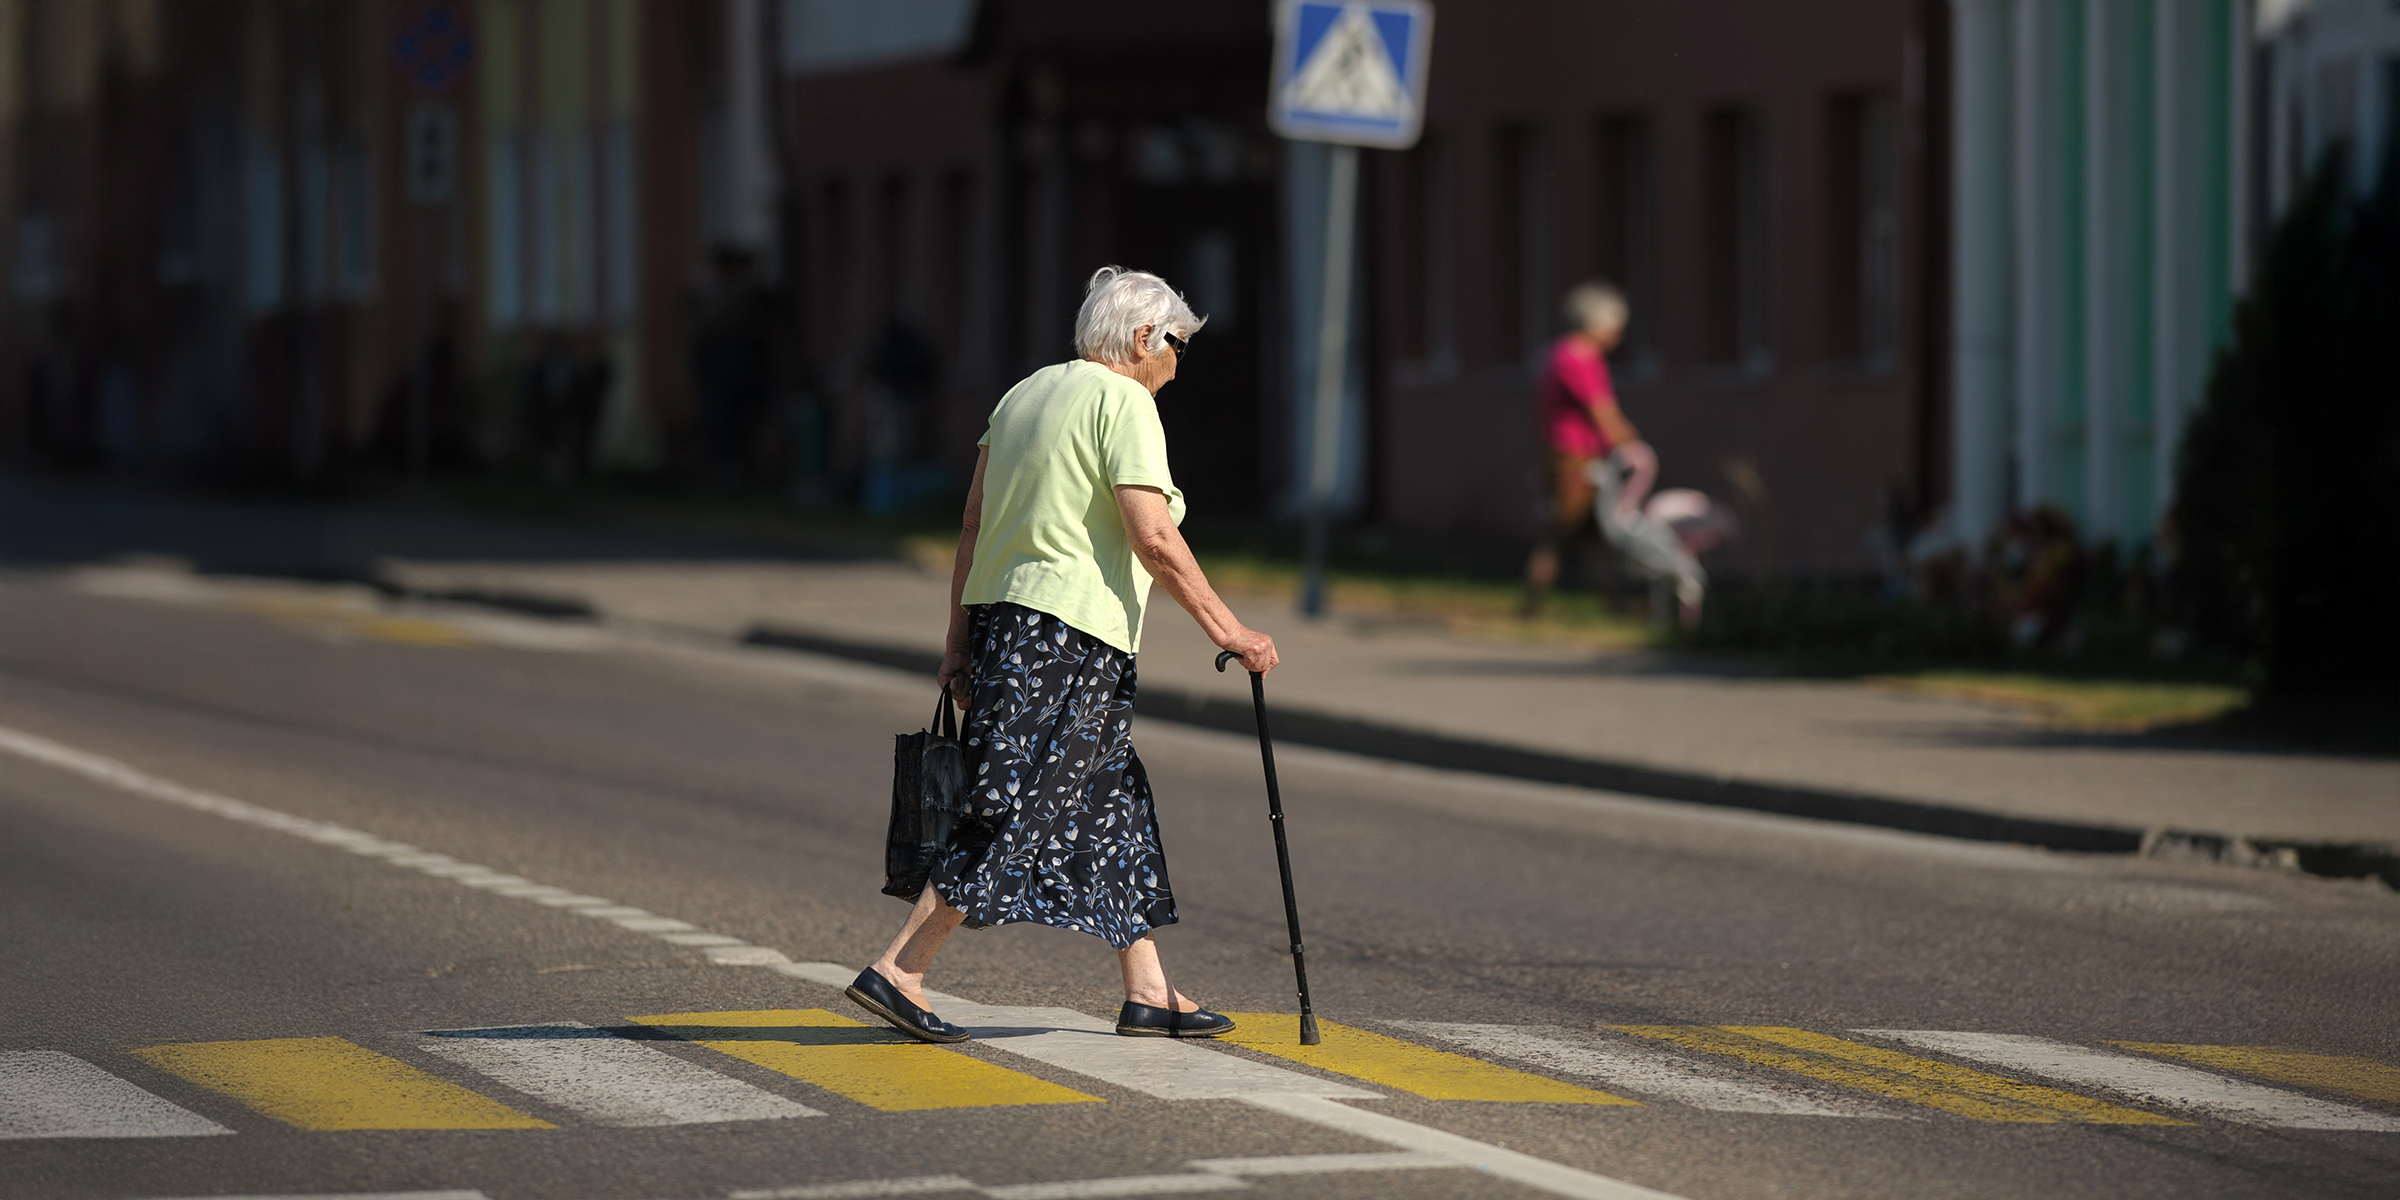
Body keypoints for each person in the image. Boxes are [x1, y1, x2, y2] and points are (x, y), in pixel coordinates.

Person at [844, 266, 1280, 1044]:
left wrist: (956, 640)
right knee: (1015, 801)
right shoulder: (1125, 402)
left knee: (1110, 806)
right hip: (1068, 638)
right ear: (1145, 338)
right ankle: (899, 969)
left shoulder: (1025, 394)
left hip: (1006, 626)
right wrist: (1230, 631)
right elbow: (1152, 535)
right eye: (1177, 345)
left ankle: (1149, 990)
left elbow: (973, 524)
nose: (1178, 364)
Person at [1520, 282, 1652, 617]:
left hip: (1560, 450)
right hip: (1578, 456)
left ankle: (1612, 601)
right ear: (1598, 324)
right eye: (1615, 326)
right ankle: (1531, 604)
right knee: (1564, 529)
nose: (1618, 335)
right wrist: (1630, 443)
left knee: (1594, 534)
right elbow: (1601, 410)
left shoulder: (1554, 354)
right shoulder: (1581, 358)